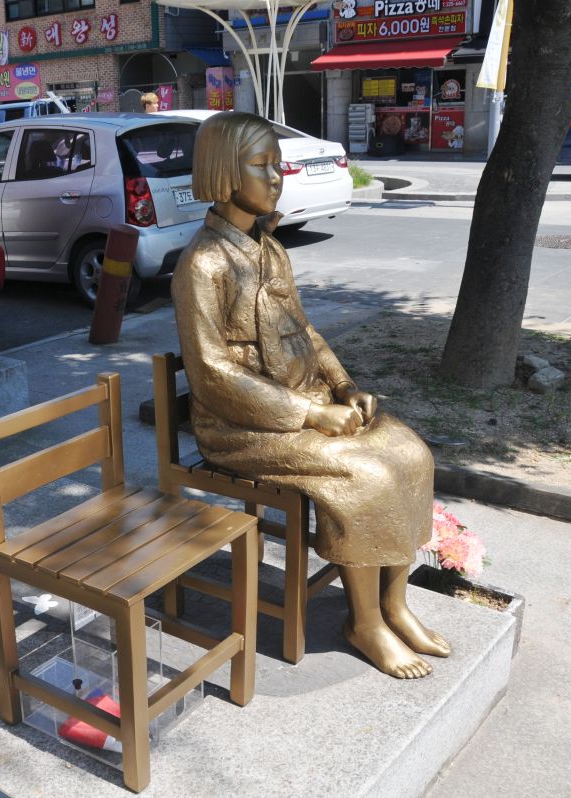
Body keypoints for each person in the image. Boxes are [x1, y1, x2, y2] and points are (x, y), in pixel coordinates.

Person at [171, 112, 447, 680]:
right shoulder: (203, 263)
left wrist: (344, 385)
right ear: (223, 171)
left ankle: (395, 605)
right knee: (365, 475)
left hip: (307, 399)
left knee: (411, 454)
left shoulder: (271, 249)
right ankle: (364, 622)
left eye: (278, 164)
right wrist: (310, 414)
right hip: (240, 426)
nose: (277, 177)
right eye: (261, 165)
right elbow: (212, 373)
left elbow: (304, 331)